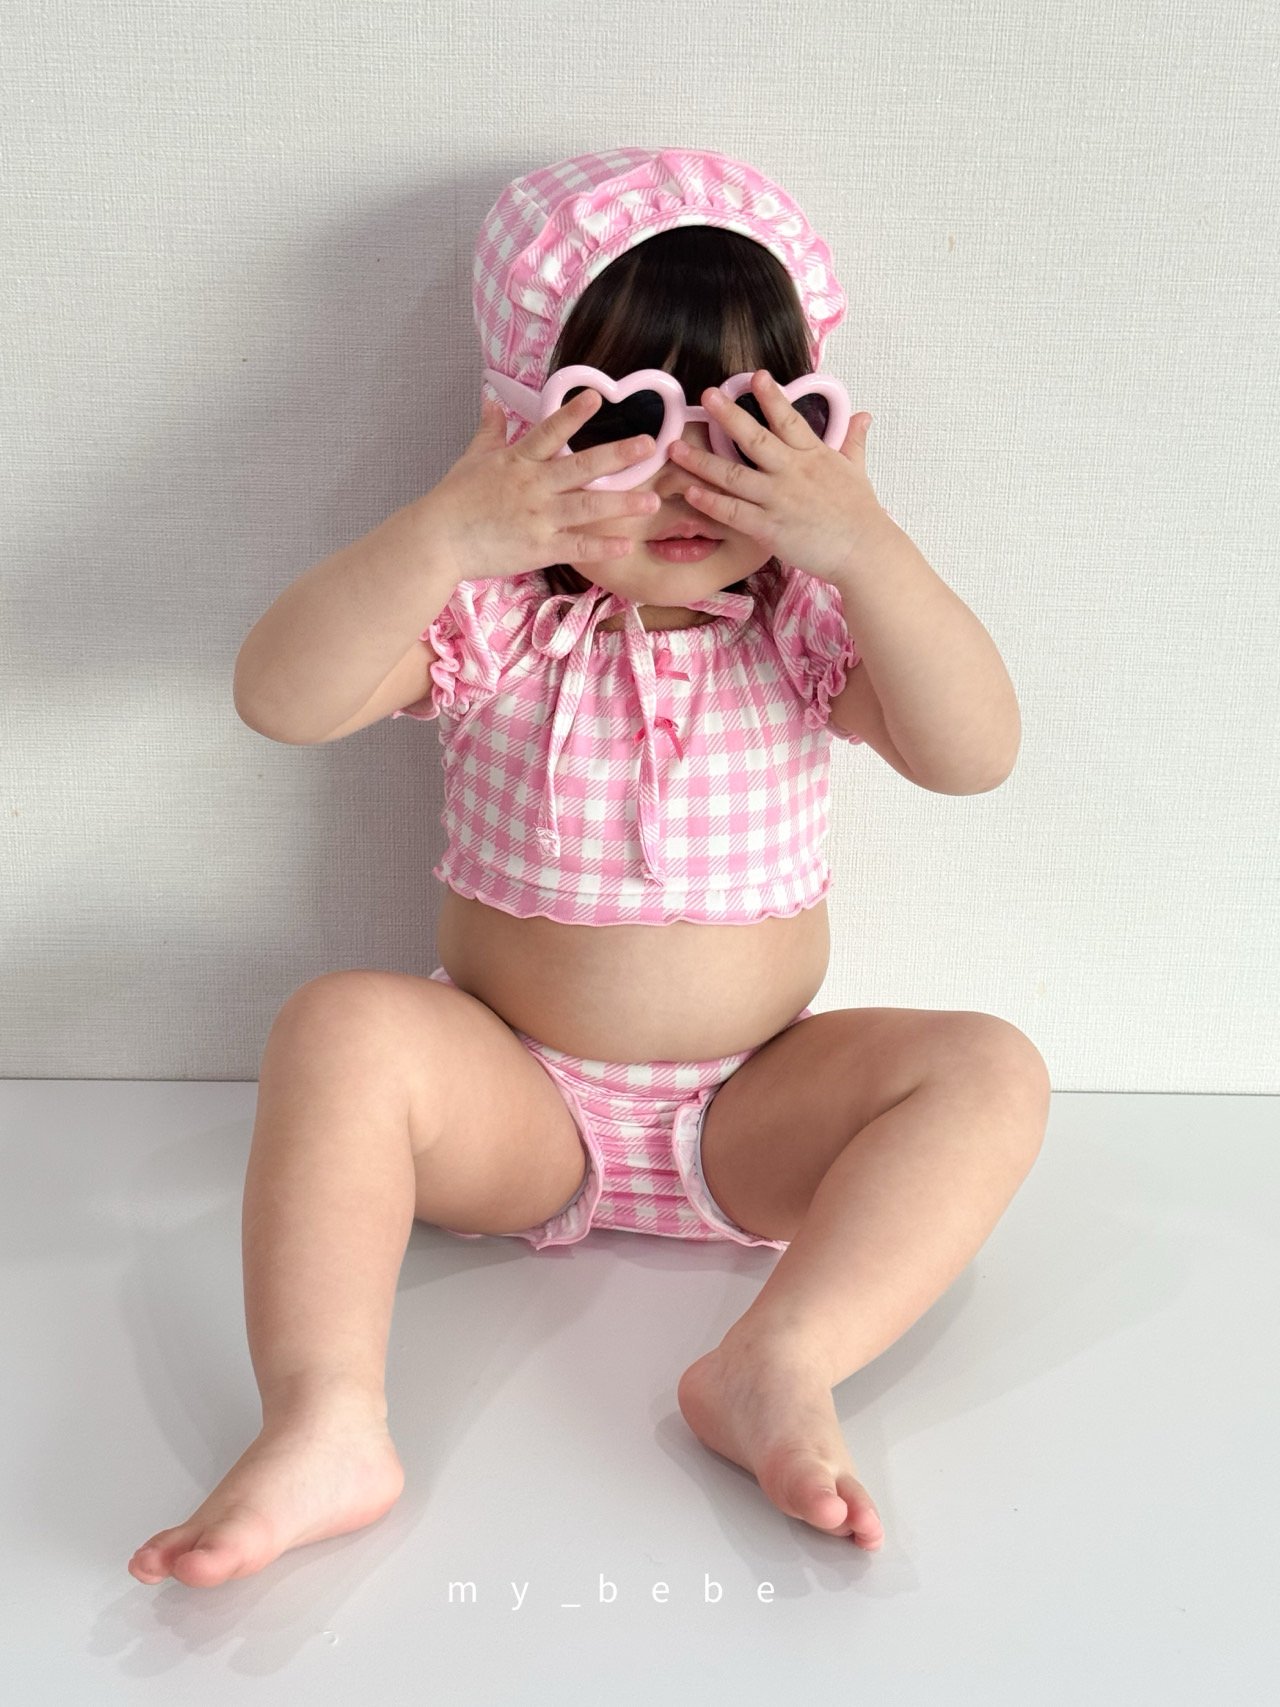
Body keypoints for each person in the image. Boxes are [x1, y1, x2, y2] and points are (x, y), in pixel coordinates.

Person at [129, 147, 1050, 1588]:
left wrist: (868, 551)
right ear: (525, 423)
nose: (685, 482)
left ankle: (779, 1361)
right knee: (341, 1024)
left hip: (756, 1110)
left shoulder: (798, 625)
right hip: (517, 1107)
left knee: (990, 1068)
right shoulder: (496, 618)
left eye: (748, 430)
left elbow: (973, 753)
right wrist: (444, 535)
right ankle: (324, 1421)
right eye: (626, 423)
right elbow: (281, 698)